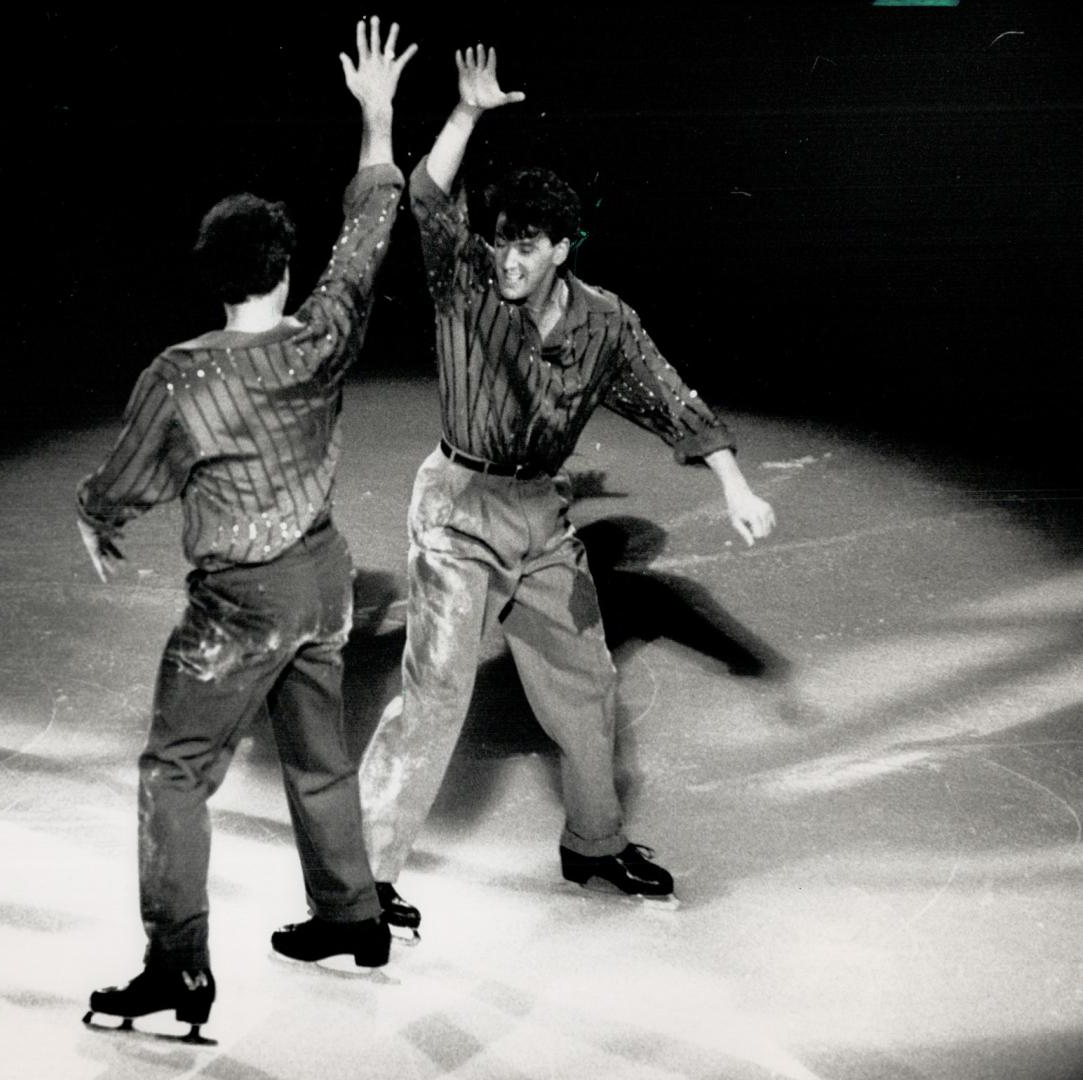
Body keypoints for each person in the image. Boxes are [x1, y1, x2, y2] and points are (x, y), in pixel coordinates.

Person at [359, 45, 776, 936]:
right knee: (434, 689)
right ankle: (363, 877)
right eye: (499, 236)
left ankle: (593, 842)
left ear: (558, 249)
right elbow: (428, 203)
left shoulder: (603, 322)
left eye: (524, 243)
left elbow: (672, 401)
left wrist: (733, 485)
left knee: (586, 690)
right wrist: (466, 115)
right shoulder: (466, 284)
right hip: (456, 512)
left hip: (540, 520)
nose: (505, 255)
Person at [76, 18, 416, 1042]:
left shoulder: (183, 375)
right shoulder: (322, 334)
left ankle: (177, 968)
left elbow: (126, 480)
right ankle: (352, 917)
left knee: (173, 771)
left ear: (215, 273)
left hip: (242, 605)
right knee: (319, 754)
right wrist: (377, 115)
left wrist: (96, 518)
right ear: (280, 265)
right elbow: (369, 229)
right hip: (324, 581)